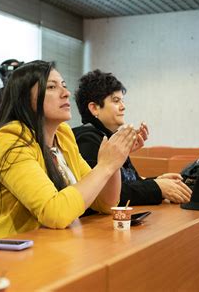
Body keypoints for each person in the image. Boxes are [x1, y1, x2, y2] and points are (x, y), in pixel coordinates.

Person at [0, 60, 137, 239]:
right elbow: (55, 213)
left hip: (51, 244)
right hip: (4, 252)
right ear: (24, 99)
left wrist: (115, 161)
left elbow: (106, 203)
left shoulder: (63, 135)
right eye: (51, 87)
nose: (66, 93)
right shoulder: (10, 140)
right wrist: (105, 167)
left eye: (64, 86)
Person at [73, 69, 192, 205]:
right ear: (94, 108)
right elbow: (106, 195)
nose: (123, 107)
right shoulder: (87, 139)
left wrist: (158, 180)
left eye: (122, 101)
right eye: (116, 101)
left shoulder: (110, 138)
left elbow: (129, 183)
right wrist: (157, 187)